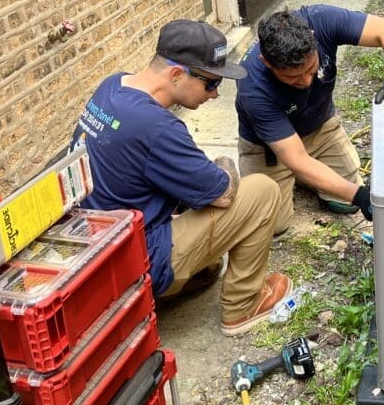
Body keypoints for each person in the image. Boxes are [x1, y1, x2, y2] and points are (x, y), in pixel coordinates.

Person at [72, 18, 291, 337]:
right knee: (261, 190)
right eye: (210, 83)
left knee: (194, 200)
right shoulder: (158, 128)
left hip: (99, 249)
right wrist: (224, 162)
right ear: (176, 74)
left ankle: (190, 275)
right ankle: (242, 307)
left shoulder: (113, 86)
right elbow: (223, 192)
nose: (215, 95)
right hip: (134, 261)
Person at [235, 5, 384, 235]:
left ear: (313, 38)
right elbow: (297, 158)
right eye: (292, 78)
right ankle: (281, 177)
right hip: (270, 149)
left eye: (311, 69)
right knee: (273, 225)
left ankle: (307, 178)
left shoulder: (321, 21)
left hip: (320, 128)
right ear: (266, 62)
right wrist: (360, 196)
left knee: (345, 203)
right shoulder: (253, 88)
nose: (305, 81)